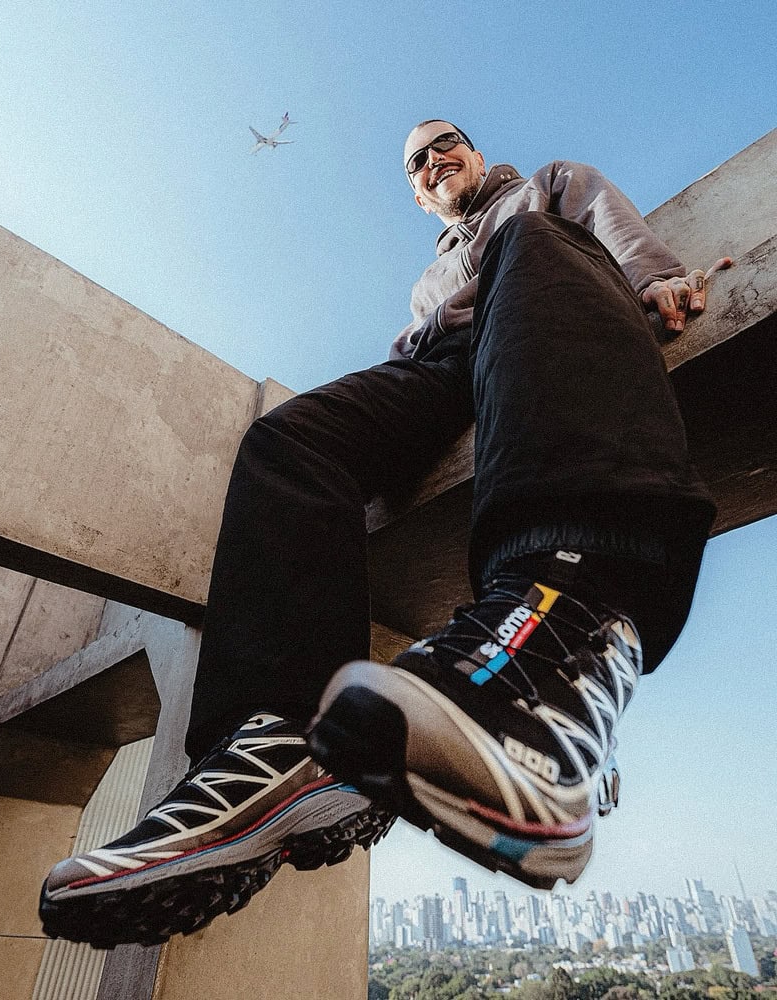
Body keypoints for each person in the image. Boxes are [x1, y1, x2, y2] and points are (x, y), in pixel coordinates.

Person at [39, 120, 730, 947]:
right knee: (290, 439)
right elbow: (411, 351)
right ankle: (275, 746)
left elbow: (611, 228)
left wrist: (657, 277)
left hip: (547, 306)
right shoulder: (432, 277)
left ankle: (573, 628)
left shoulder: (542, 187)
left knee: (534, 240)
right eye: (419, 163)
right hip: (447, 367)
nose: (437, 162)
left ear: (475, 154)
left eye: (448, 146)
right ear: (416, 190)